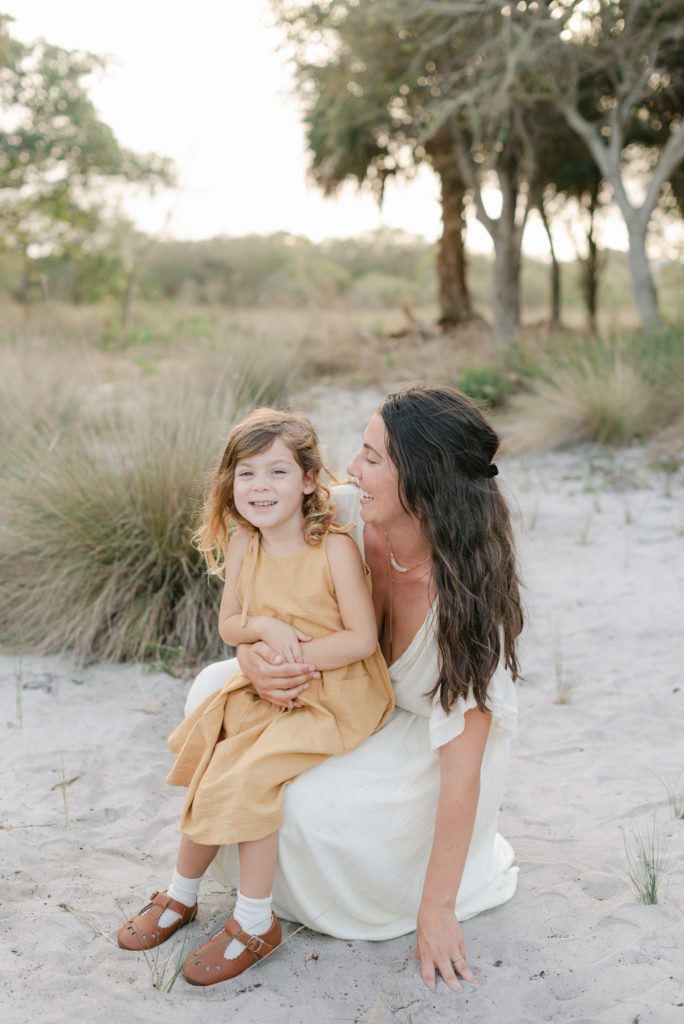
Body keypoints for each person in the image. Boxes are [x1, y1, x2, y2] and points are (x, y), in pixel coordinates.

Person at [184, 383, 524, 995]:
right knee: (212, 689)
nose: (350, 469)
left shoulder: (471, 611)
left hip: (420, 745)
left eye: (371, 457)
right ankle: (227, 884)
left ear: (422, 478)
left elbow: (464, 768)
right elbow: (256, 601)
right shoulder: (341, 512)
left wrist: (438, 908)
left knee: (308, 807)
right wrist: (252, 657)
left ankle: (274, 906)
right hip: (335, 690)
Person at [117, 408, 394, 986]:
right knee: (212, 759)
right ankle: (181, 894)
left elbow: (361, 639)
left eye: (277, 472)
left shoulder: (334, 549)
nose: (260, 487)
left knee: (251, 775)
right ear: (230, 483)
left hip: (334, 689)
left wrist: (290, 660)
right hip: (271, 679)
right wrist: (264, 633)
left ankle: (253, 921)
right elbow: (231, 624)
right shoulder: (247, 544)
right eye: (246, 474)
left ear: (310, 480)